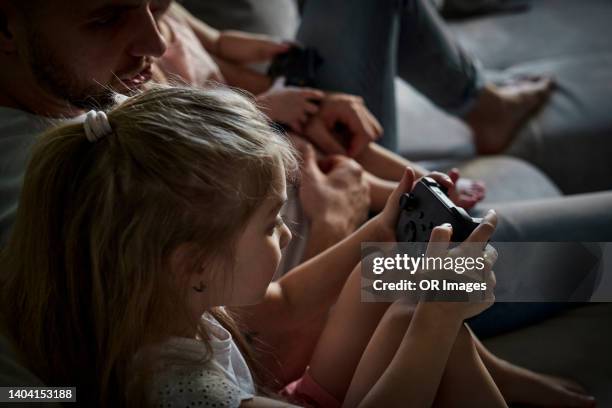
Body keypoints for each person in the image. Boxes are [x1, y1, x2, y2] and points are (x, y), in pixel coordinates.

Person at [0, 1, 603, 405]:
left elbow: (260, 300)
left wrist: (376, 221)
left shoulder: (97, 116)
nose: (156, 40)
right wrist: (337, 220)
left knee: (411, 280)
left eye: (159, 4)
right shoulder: (44, 196)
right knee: (488, 276)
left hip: (285, 223)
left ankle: (529, 385)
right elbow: (265, 330)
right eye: (106, 17)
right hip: (286, 260)